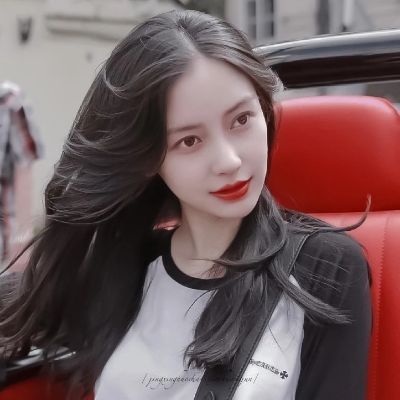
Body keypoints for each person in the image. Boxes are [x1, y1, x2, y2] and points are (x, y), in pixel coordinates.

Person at [0, 9, 372, 400]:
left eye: (241, 119)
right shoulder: (123, 264)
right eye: (189, 141)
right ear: (148, 159)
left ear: (264, 111)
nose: (228, 161)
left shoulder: (325, 267)